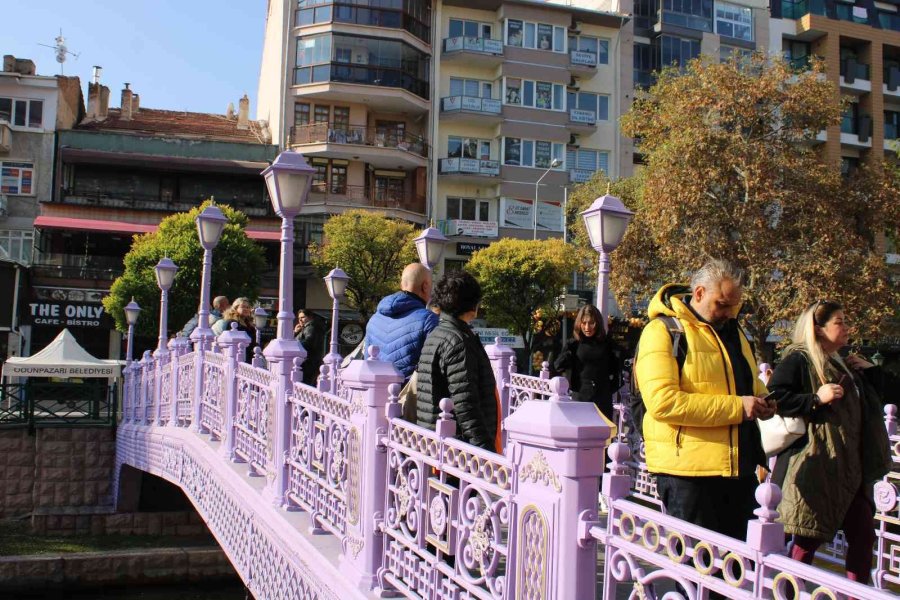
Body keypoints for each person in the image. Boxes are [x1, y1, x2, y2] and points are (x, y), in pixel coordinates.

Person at [634, 258, 773, 540]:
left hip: (738, 468)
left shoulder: (734, 333)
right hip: (689, 474)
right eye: (722, 304)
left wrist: (764, 399)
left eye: (734, 306)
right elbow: (663, 402)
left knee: (735, 572)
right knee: (696, 571)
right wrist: (739, 407)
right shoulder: (662, 330)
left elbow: (747, 380)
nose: (729, 313)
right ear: (699, 293)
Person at [767, 300, 890, 584]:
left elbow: (890, 393)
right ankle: (786, 591)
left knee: (863, 538)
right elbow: (774, 400)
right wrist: (815, 399)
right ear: (818, 329)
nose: (847, 328)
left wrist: (870, 371)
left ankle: (856, 592)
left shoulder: (845, 365)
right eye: (839, 322)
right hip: (816, 467)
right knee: (806, 541)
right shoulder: (800, 359)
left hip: (851, 469)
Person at [416, 271, 497, 452]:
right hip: (455, 449)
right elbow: (466, 404)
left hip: (433, 438)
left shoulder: (437, 334)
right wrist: (486, 452)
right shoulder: (459, 341)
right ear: (472, 304)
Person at [364, 263, 439, 382]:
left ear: (401, 284)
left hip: (377, 395)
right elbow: (435, 366)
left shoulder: (374, 319)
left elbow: (367, 362)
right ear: (425, 286)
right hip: (410, 396)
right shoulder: (429, 320)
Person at [553, 304, 620, 421]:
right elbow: (558, 365)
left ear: (597, 323)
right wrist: (567, 354)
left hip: (602, 398)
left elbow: (617, 367)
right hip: (580, 397)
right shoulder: (573, 344)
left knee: (602, 435)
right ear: (579, 324)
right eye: (584, 323)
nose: (587, 327)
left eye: (591, 323)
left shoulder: (607, 344)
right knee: (580, 435)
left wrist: (609, 388)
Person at [294, 308, 326, 386]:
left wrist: (295, 346)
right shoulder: (305, 328)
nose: (300, 320)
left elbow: (308, 342)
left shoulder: (311, 327)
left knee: (305, 384)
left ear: (310, 317)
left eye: (303, 317)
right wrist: (295, 332)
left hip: (309, 362)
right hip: (309, 362)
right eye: (299, 318)